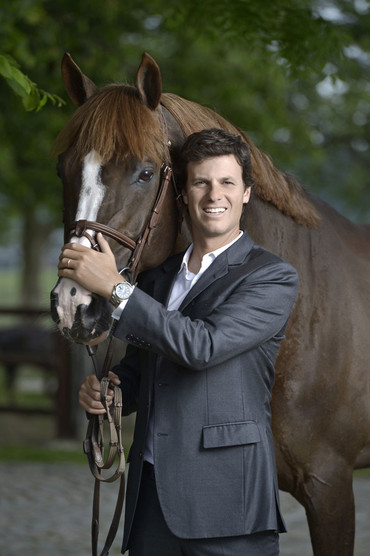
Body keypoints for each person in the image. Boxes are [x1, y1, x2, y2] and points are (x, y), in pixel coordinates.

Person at [58, 128, 298, 555]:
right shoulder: (158, 277)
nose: (213, 195)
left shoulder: (271, 277)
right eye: (200, 182)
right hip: (152, 499)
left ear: (246, 193)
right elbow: (148, 365)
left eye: (227, 182)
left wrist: (115, 287)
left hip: (228, 502)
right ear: (183, 193)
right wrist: (114, 391)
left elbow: (201, 347)